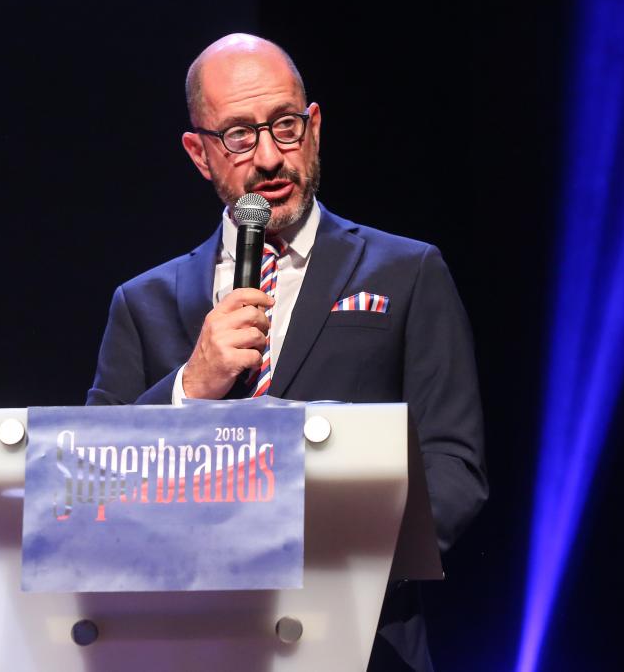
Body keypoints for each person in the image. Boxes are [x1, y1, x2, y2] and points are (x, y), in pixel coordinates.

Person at [86, 33, 487, 671]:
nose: (271, 156)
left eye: (285, 126)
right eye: (239, 136)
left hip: (360, 640)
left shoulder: (407, 272)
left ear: (314, 127)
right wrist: (189, 387)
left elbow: (453, 465)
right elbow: (89, 484)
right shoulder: (143, 303)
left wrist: (331, 563)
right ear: (199, 153)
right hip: (190, 644)